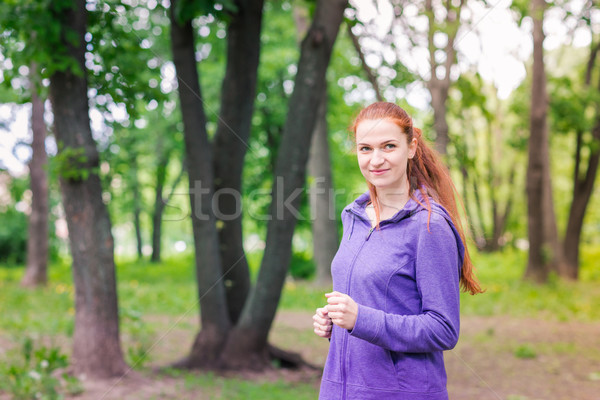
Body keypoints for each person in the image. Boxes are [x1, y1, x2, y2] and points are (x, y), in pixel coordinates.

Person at [312, 102, 483, 400]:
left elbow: (443, 329)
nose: (375, 159)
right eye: (365, 149)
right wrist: (334, 323)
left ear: (411, 147)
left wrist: (360, 319)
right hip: (339, 391)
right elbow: (373, 301)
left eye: (388, 146)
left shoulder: (429, 225)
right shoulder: (353, 216)